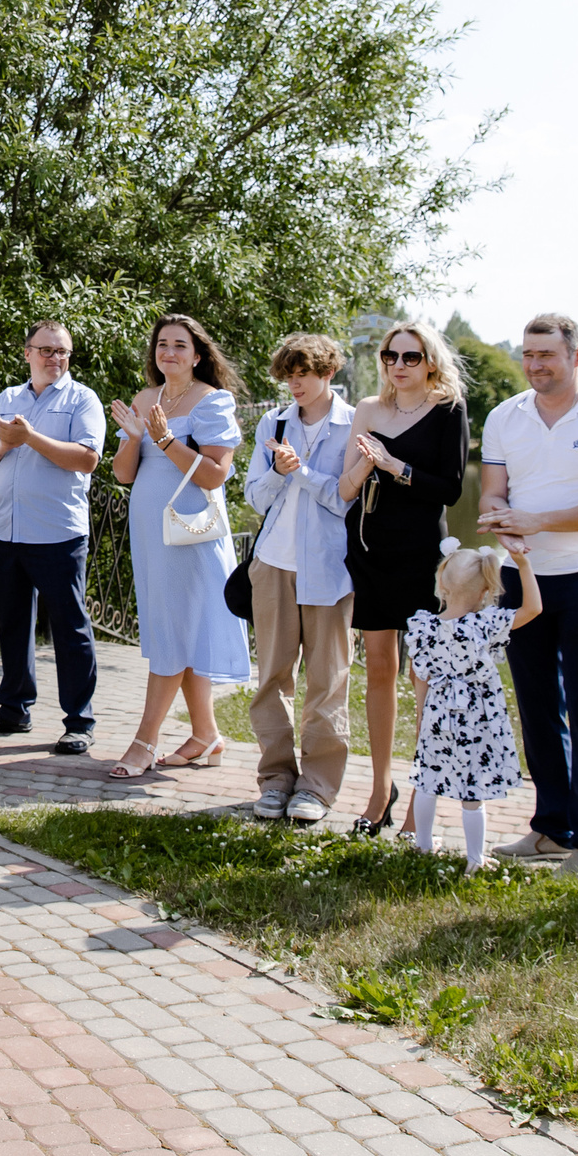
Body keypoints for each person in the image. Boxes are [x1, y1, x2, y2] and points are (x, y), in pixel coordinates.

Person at [478, 313, 578, 874]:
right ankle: (551, 828)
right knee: (537, 707)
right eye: (527, 354)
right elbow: (493, 494)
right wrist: (501, 524)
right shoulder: (505, 415)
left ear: (577, 356)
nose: (534, 365)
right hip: (520, 577)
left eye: (546, 354)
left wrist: (537, 522)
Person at [105, 315, 252, 780]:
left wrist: (166, 439)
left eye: (179, 345)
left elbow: (214, 474)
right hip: (151, 532)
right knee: (178, 630)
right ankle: (206, 735)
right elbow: (124, 474)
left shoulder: (213, 402)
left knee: (173, 633)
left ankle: (144, 742)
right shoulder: (145, 398)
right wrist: (134, 438)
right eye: (162, 345)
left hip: (191, 533)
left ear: (197, 355)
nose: (168, 352)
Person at [342, 321, 472, 836]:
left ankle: (423, 797)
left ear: (431, 362)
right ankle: (380, 789)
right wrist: (354, 471)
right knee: (377, 669)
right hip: (370, 549)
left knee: (424, 675)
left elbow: (453, 489)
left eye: (411, 357)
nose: (399, 365)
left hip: (421, 555)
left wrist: (395, 466)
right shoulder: (368, 410)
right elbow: (347, 487)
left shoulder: (449, 411)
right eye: (391, 355)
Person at [0, 320, 106, 754]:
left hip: (57, 534)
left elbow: (87, 459)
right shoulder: (8, 398)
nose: (54, 359)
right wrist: (7, 444)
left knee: (70, 627)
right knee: (13, 626)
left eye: (62, 352)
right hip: (6, 531)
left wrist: (29, 437)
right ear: (27, 353)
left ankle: (79, 721)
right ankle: (14, 709)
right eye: (46, 350)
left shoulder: (83, 399)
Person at [241, 334, 357, 824]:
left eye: (303, 374)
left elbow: (345, 499)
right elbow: (254, 497)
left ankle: (318, 787)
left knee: (327, 680)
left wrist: (302, 471)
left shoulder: (354, 424)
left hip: (330, 568)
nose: (294, 384)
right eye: (288, 375)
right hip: (273, 563)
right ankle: (275, 780)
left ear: (328, 373)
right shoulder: (275, 421)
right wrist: (280, 473)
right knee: (271, 678)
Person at [406, 542, 540, 871]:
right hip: (476, 720)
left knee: (427, 780)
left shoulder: (425, 627)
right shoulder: (484, 625)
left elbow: (419, 675)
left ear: (442, 585)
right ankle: (474, 860)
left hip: (437, 716)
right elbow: (533, 609)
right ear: (485, 591)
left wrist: (423, 717)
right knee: (472, 792)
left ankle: (422, 845)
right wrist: (523, 564)